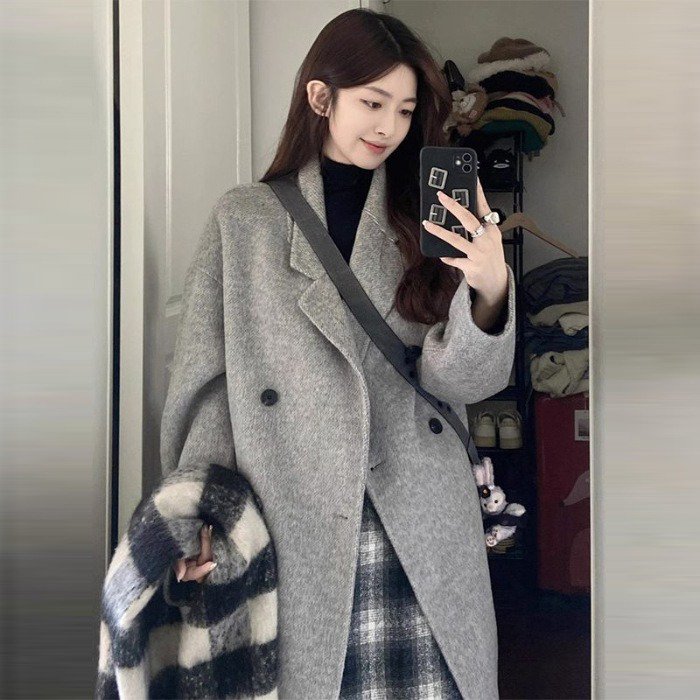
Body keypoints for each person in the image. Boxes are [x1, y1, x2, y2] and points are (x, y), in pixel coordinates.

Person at [165, 8, 515, 699]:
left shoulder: (424, 216)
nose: (389, 127)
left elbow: (460, 383)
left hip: (418, 507)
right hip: (295, 509)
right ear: (321, 97)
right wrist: (198, 516)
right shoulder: (245, 220)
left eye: (406, 110)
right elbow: (209, 387)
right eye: (373, 103)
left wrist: (490, 287)